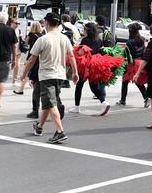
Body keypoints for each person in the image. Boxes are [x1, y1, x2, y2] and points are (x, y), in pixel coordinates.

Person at [21, 12, 78, 144]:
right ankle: (39, 127)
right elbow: (72, 56)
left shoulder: (43, 39)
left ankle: (60, 131)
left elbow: (31, 60)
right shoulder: (64, 38)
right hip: (60, 75)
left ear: (46, 23)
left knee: (51, 103)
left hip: (46, 75)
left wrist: (23, 75)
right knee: (49, 102)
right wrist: (75, 73)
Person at [70, 22, 110, 116]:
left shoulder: (85, 40)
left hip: (86, 66)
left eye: (84, 29)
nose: (83, 31)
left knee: (79, 85)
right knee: (93, 87)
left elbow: (80, 53)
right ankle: (104, 102)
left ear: (87, 30)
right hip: (95, 65)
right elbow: (101, 51)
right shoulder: (98, 40)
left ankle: (76, 107)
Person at [117, 23, 149, 107]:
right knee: (138, 82)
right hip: (140, 62)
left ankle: (123, 100)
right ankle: (146, 98)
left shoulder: (129, 42)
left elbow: (127, 55)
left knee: (125, 81)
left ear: (130, 32)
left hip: (132, 63)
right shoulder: (142, 39)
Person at [21, 22, 44, 118]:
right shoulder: (43, 36)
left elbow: (25, 44)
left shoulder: (30, 36)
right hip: (42, 61)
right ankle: (56, 107)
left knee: (36, 89)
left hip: (33, 58)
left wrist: (24, 74)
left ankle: (35, 110)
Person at [9, 17, 23, 86]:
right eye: (16, 23)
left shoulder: (18, 30)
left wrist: (21, 37)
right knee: (6, 65)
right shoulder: (8, 30)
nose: (17, 25)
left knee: (17, 65)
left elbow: (22, 40)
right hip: (9, 51)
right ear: (11, 23)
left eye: (19, 23)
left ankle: (14, 80)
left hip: (18, 50)